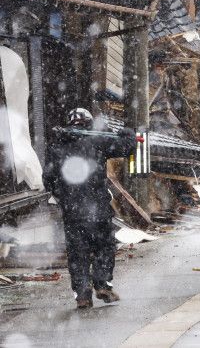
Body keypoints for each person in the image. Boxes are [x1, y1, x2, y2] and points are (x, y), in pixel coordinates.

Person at [43, 108, 139, 309]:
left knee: (77, 253)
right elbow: (127, 147)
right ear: (88, 123)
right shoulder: (97, 141)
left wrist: (64, 197)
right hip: (98, 207)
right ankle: (102, 284)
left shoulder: (56, 147)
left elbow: (48, 179)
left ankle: (83, 295)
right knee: (104, 245)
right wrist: (128, 133)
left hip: (72, 211)